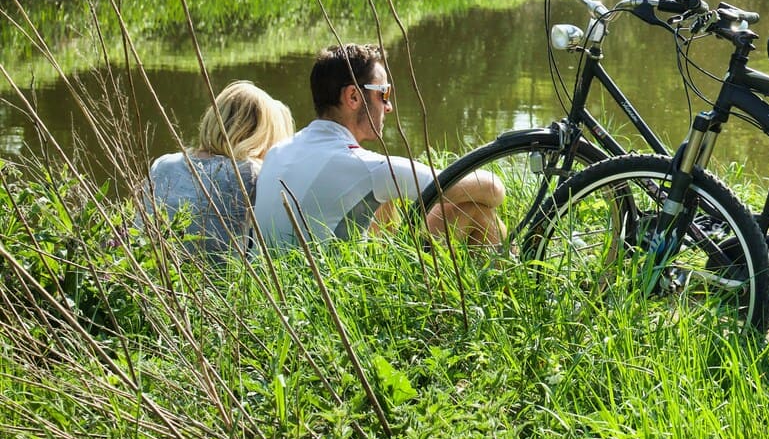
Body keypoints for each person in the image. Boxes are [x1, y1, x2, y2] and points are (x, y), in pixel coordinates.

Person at [252, 43, 504, 249]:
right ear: (353, 97)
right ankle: (509, 290)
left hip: (275, 290)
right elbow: (492, 189)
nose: (389, 106)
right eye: (383, 93)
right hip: (322, 294)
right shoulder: (364, 167)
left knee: (383, 199)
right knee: (476, 211)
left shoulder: (279, 151)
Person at [144, 80, 295, 257]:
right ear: (262, 134)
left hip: (152, 273)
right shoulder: (252, 173)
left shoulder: (163, 164)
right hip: (217, 282)